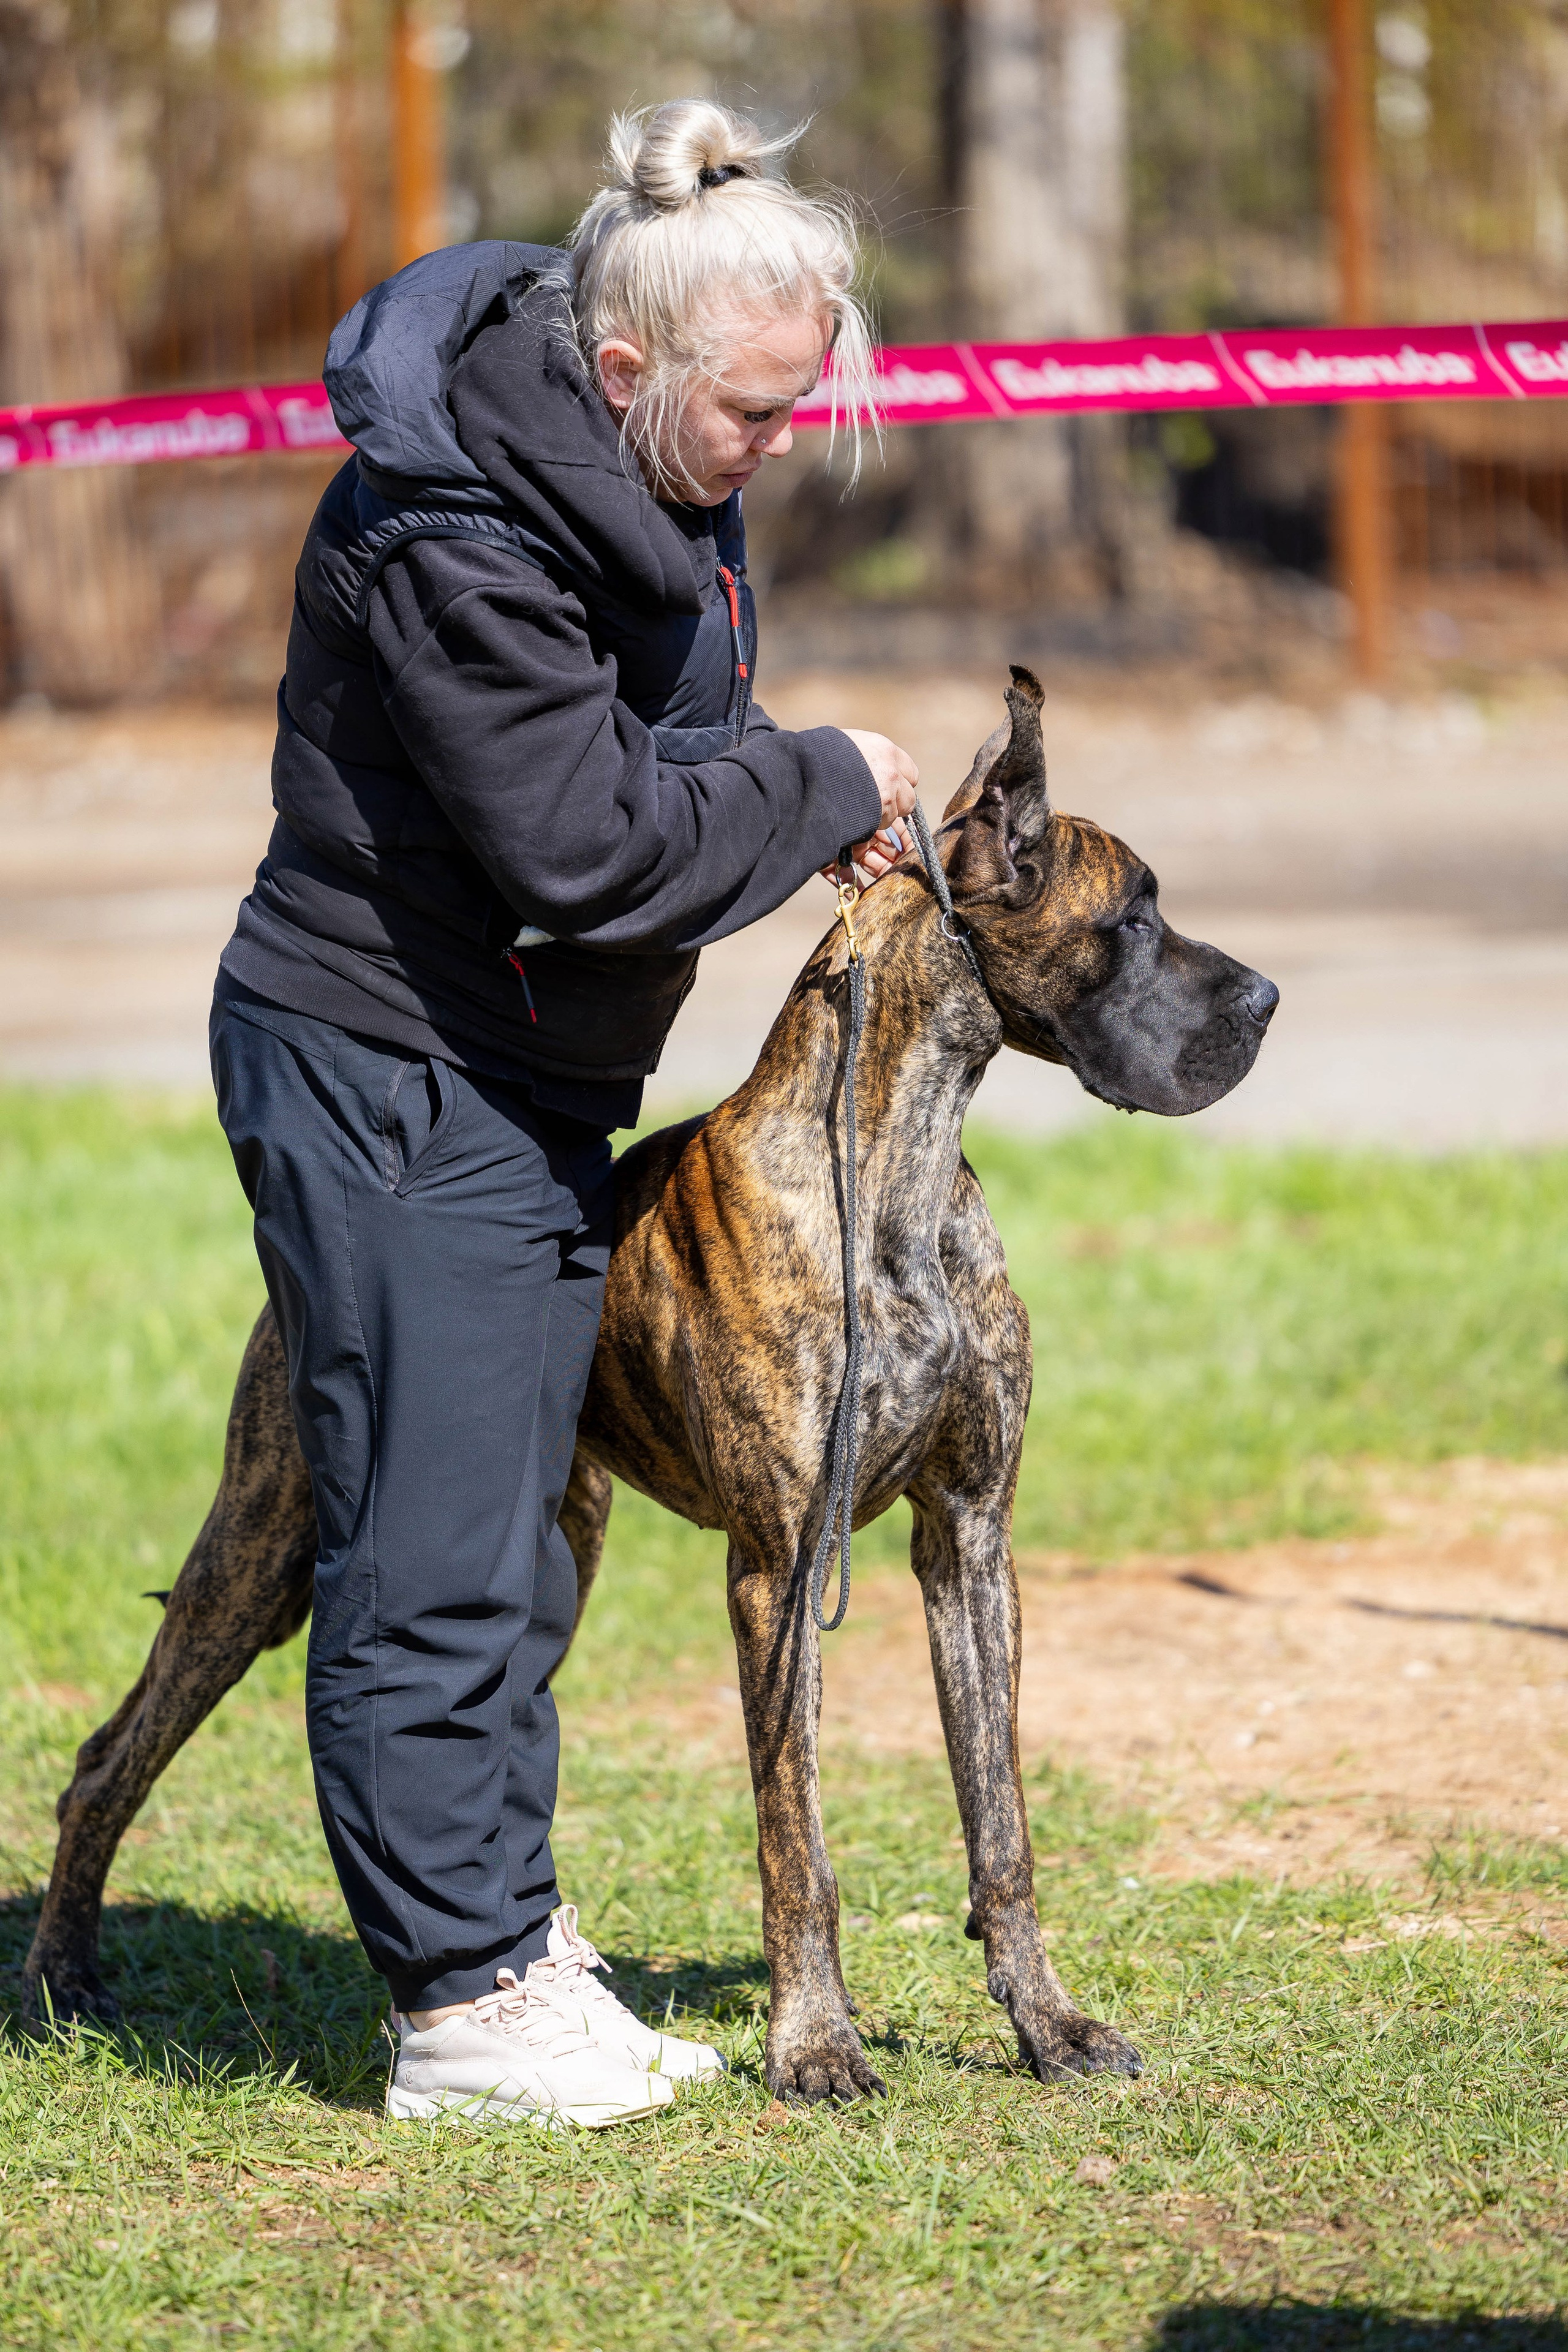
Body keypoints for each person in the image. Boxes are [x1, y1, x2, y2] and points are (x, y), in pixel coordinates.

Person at [209, 97, 920, 2129]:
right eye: (754, 412)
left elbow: (673, 750)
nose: (777, 445)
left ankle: (513, 1943)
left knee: (515, 1540)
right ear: (622, 369)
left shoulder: (646, 470)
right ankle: (458, 2012)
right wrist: (823, 779)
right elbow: (588, 850)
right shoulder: (456, 532)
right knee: (430, 1547)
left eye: (795, 406)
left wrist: (777, 797)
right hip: (389, 1062)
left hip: (519, 1074)